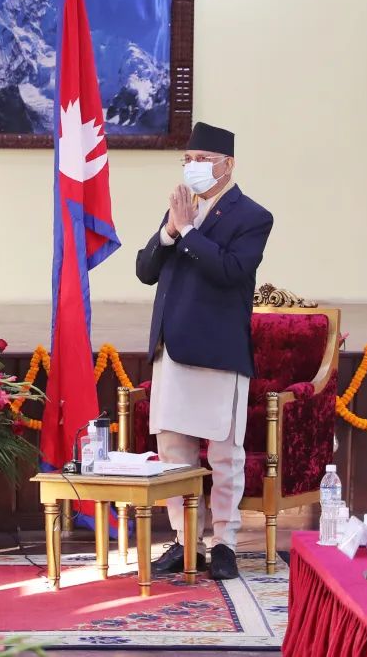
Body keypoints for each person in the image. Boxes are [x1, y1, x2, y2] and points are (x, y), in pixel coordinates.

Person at [135, 122, 273, 581]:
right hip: (173, 350)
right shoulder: (179, 211)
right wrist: (169, 233)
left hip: (218, 350)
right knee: (174, 453)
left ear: (227, 165)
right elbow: (145, 270)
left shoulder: (253, 216)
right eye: (188, 159)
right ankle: (185, 540)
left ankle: (225, 542)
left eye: (203, 160)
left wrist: (190, 231)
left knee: (225, 455)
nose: (193, 167)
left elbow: (231, 271)